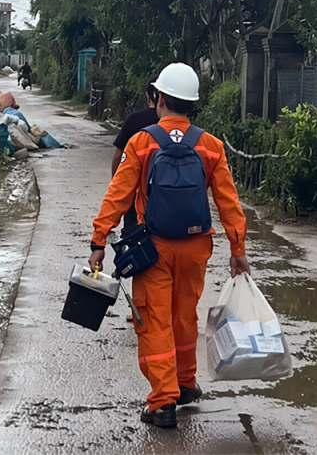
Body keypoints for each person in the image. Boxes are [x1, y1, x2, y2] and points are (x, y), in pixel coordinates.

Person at [88, 63, 249, 429]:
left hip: (154, 248)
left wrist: (100, 239)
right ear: (192, 104)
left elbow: (118, 196)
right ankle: (186, 384)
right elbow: (228, 202)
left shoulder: (142, 142)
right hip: (196, 248)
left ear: (159, 98)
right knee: (184, 316)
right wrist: (237, 250)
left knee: (156, 321)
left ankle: (163, 402)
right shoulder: (210, 146)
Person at [111, 78, 160, 232]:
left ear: (147, 96)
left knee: (133, 237)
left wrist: (117, 184)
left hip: (136, 192)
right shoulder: (179, 126)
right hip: (168, 196)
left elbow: (118, 157)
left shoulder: (134, 120)